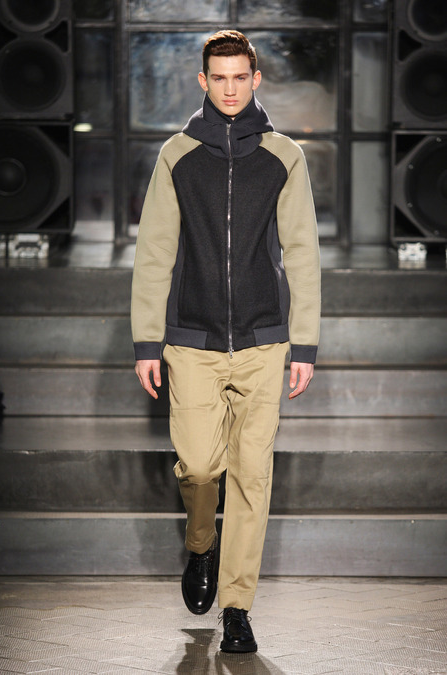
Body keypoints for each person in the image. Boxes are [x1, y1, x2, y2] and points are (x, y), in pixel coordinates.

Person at [131, 29, 320, 654]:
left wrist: (304, 343)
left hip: (265, 342)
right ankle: (200, 543)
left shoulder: (284, 156)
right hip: (192, 341)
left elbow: (302, 252)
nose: (231, 88)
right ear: (203, 81)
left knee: (251, 477)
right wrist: (147, 340)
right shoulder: (177, 155)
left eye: (241, 77)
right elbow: (155, 250)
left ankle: (237, 607)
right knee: (199, 467)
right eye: (220, 78)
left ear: (256, 79)